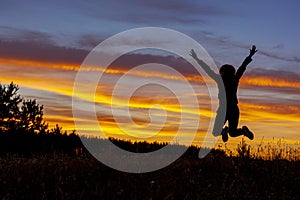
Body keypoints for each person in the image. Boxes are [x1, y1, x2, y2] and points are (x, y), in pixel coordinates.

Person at [190, 46, 257, 142]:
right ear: (233, 72)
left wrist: (197, 59)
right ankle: (243, 131)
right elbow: (242, 67)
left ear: (222, 72)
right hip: (234, 109)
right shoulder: (235, 79)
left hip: (223, 109)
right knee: (233, 133)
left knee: (216, 132)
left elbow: (207, 70)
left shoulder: (220, 80)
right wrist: (250, 55)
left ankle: (224, 131)